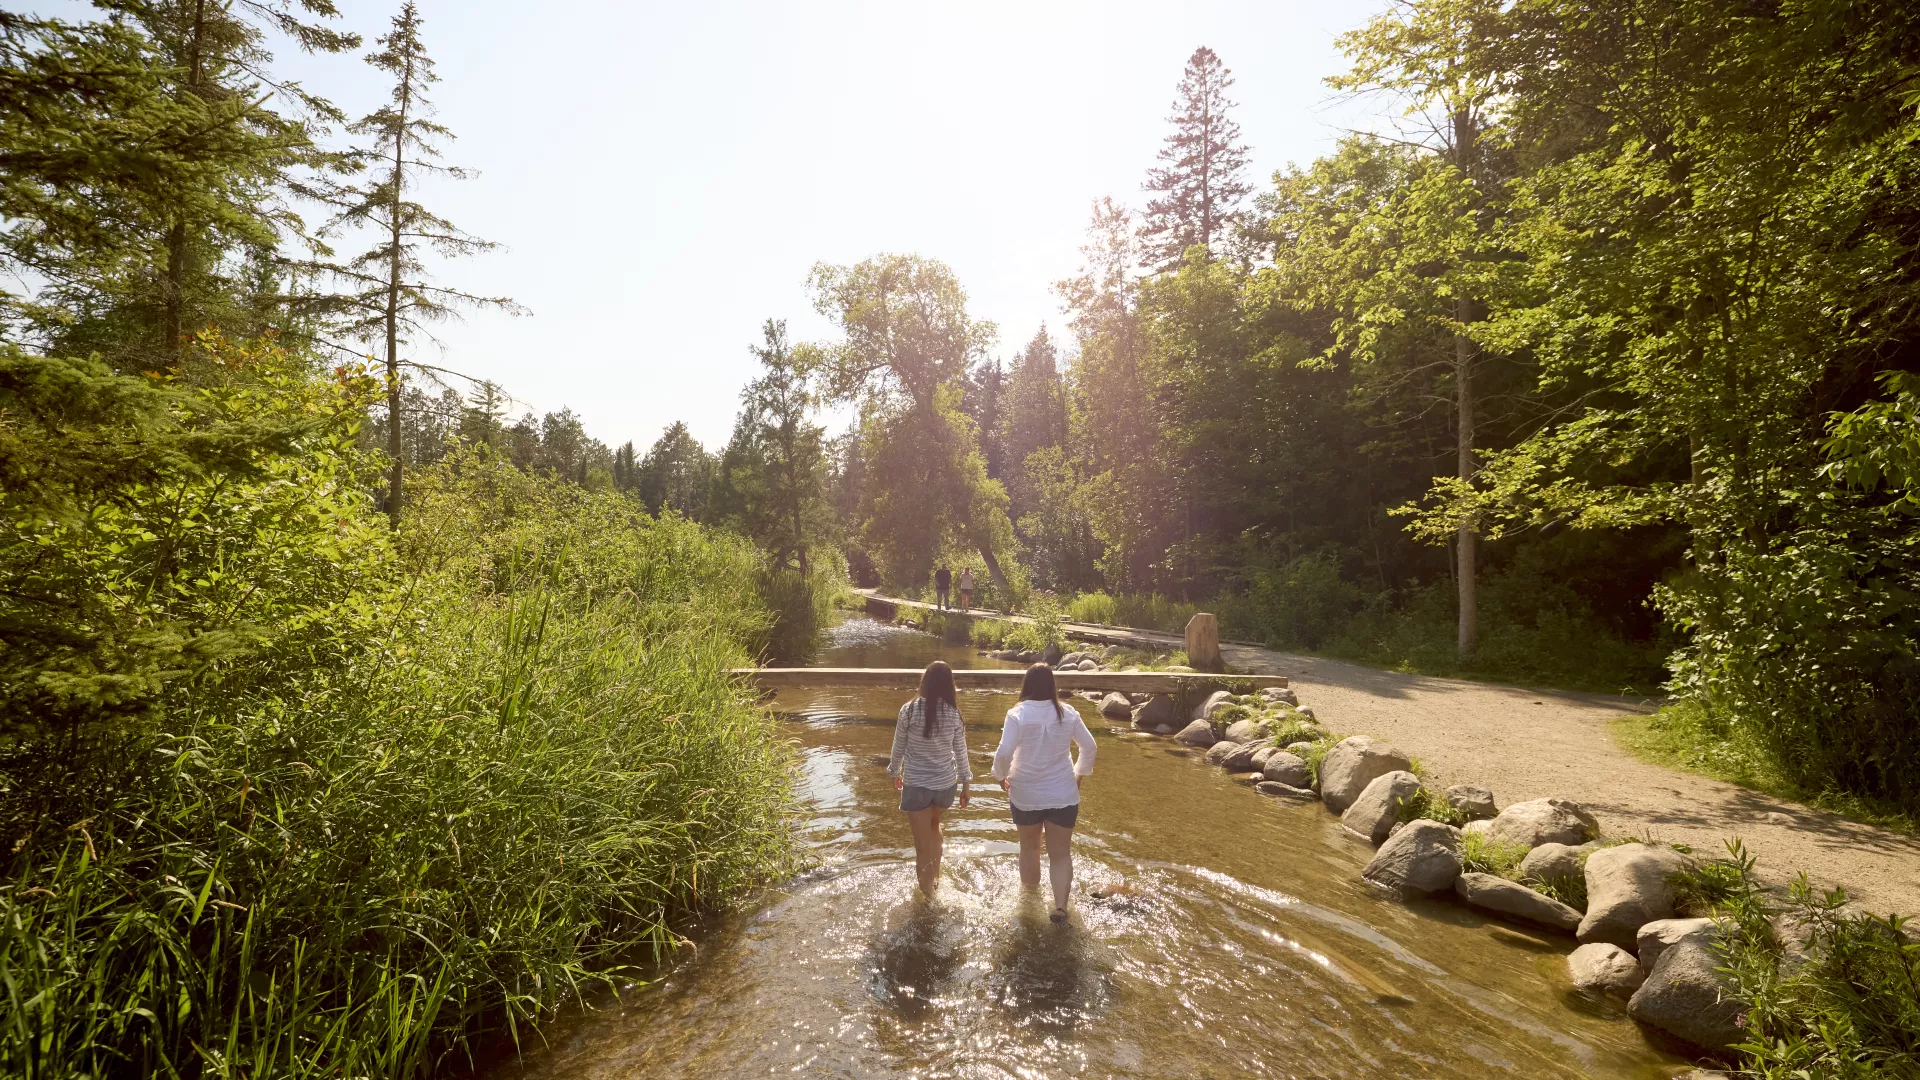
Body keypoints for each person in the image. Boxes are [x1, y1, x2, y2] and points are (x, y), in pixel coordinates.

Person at [991, 663, 1095, 923]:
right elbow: (1090, 747)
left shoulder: (1017, 714)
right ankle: (1060, 907)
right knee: (1060, 854)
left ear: (1026, 685)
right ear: (1052, 686)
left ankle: (1030, 904)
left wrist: (1000, 776)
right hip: (1062, 793)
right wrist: (1078, 775)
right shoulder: (1068, 713)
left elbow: (1004, 753)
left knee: (1029, 849)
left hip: (1025, 793)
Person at [887, 660, 971, 898]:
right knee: (935, 827)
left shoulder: (909, 710)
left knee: (922, 845)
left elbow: (898, 747)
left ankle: (928, 899)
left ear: (924, 682)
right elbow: (961, 751)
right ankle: (935, 881)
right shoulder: (954, 714)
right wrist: (966, 784)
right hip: (945, 785)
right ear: (949, 686)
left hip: (917, 785)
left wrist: (895, 772)